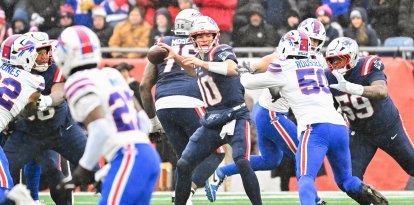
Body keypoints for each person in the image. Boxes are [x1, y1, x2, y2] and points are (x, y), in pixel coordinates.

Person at [239, 30, 388, 205]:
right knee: (346, 180)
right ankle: (363, 190)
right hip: (339, 126)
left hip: (315, 127)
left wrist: (244, 70)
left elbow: (247, 82)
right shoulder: (317, 63)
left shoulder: (283, 68)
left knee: (305, 178)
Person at [205, 26, 327, 204]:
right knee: (302, 155)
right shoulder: (283, 57)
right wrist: (252, 70)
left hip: (269, 113)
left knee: (270, 160)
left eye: (316, 41)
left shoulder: (318, 59)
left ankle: (221, 172)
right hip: (272, 114)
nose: (312, 44)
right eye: (310, 39)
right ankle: (314, 200)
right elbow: (256, 66)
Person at [160, 15, 262, 205]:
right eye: (199, 36)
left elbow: (232, 68)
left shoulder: (221, 50)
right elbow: (193, 70)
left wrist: (202, 63)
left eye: (207, 35)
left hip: (236, 116)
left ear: (215, 36)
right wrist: (177, 57)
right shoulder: (199, 57)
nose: (204, 39)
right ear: (193, 39)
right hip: (212, 121)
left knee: (241, 160)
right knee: (183, 164)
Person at [55, 25, 160, 205]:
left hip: (128, 155)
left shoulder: (77, 82)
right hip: (147, 155)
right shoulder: (111, 74)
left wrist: (84, 169)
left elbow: (101, 129)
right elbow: (142, 121)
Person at [140, 9, 225, 204]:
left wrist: (153, 122)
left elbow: (144, 86)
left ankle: (182, 200)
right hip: (190, 101)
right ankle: (190, 191)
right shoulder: (201, 42)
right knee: (217, 151)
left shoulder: (162, 43)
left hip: (162, 105)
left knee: (184, 159)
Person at [3, 31, 90, 205]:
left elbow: (59, 93)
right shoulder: (15, 73)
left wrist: (45, 100)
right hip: (26, 130)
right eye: (41, 53)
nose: (47, 57)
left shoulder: (53, 64)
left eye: (47, 51)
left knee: (58, 167)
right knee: (7, 170)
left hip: (58, 127)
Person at [325, 37, 414, 205]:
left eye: (340, 59)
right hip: (360, 133)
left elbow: (382, 91)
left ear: (352, 56)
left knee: (412, 165)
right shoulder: (329, 76)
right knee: (348, 179)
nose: (336, 64)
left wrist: (353, 88)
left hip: (388, 127)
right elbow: (330, 106)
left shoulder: (368, 64)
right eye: (332, 60)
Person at [0, 34, 46, 205]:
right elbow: (36, 107)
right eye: (33, 53)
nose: (37, 57)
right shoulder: (34, 81)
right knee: (5, 191)